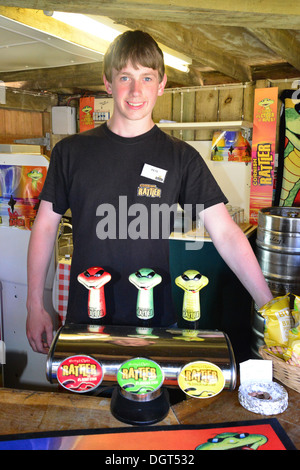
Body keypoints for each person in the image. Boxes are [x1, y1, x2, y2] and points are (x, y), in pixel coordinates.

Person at [26, 30, 273, 354]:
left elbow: (226, 233)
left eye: (146, 77)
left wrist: (268, 306)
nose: (135, 90)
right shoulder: (71, 152)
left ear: (161, 84)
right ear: (108, 82)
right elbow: (45, 226)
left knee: (152, 406)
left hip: (155, 327)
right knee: (84, 408)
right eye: (125, 76)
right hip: (84, 325)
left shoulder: (180, 157)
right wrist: (34, 305)